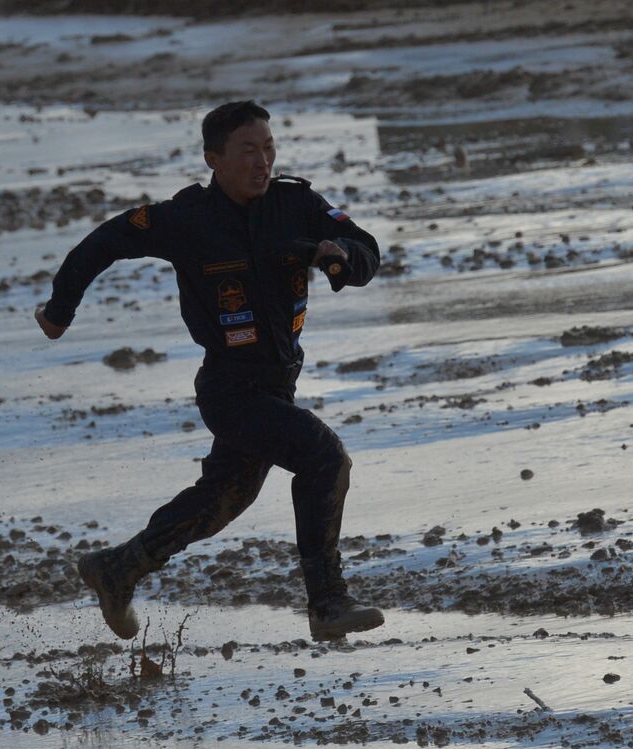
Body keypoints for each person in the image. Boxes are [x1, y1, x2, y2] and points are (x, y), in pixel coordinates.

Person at [35, 100, 383, 642]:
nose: (262, 162)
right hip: (229, 390)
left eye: (268, 148)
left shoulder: (297, 203)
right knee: (323, 456)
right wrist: (59, 312)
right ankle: (328, 602)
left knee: (223, 499)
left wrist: (339, 255)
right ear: (213, 159)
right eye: (248, 151)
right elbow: (102, 243)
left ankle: (119, 567)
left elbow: (366, 250)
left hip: (278, 386)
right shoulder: (186, 218)